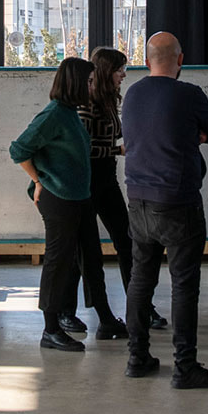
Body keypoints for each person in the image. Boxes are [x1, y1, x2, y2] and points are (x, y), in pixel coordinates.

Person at [120, 31, 208, 389]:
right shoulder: (189, 94)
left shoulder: (132, 93)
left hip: (137, 200)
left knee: (140, 280)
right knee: (183, 285)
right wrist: (195, 131)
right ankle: (185, 367)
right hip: (178, 202)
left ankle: (137, 358)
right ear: (180, 60)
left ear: (146, 60)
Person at [9, 56, 99, 353]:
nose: (93, 87)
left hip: (77, 198)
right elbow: (19, 149)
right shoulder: (54, 114)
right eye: (89, 82)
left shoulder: (70, 113)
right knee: (57, 262)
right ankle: (50, 330)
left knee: (74, 261)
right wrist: (38, 180)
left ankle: (64, 317)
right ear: (76, 83)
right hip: (59, 199)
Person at [71, 47, 141, 337]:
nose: (123, 75)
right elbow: (82, 148)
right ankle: (72, 313)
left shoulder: (109, 99)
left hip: (106, 178)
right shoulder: (87, 103)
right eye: (118, 70)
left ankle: (139, 306)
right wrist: (116, 150)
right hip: (89, 180)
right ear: (104, 72)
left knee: (126, 240)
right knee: (86, 251)